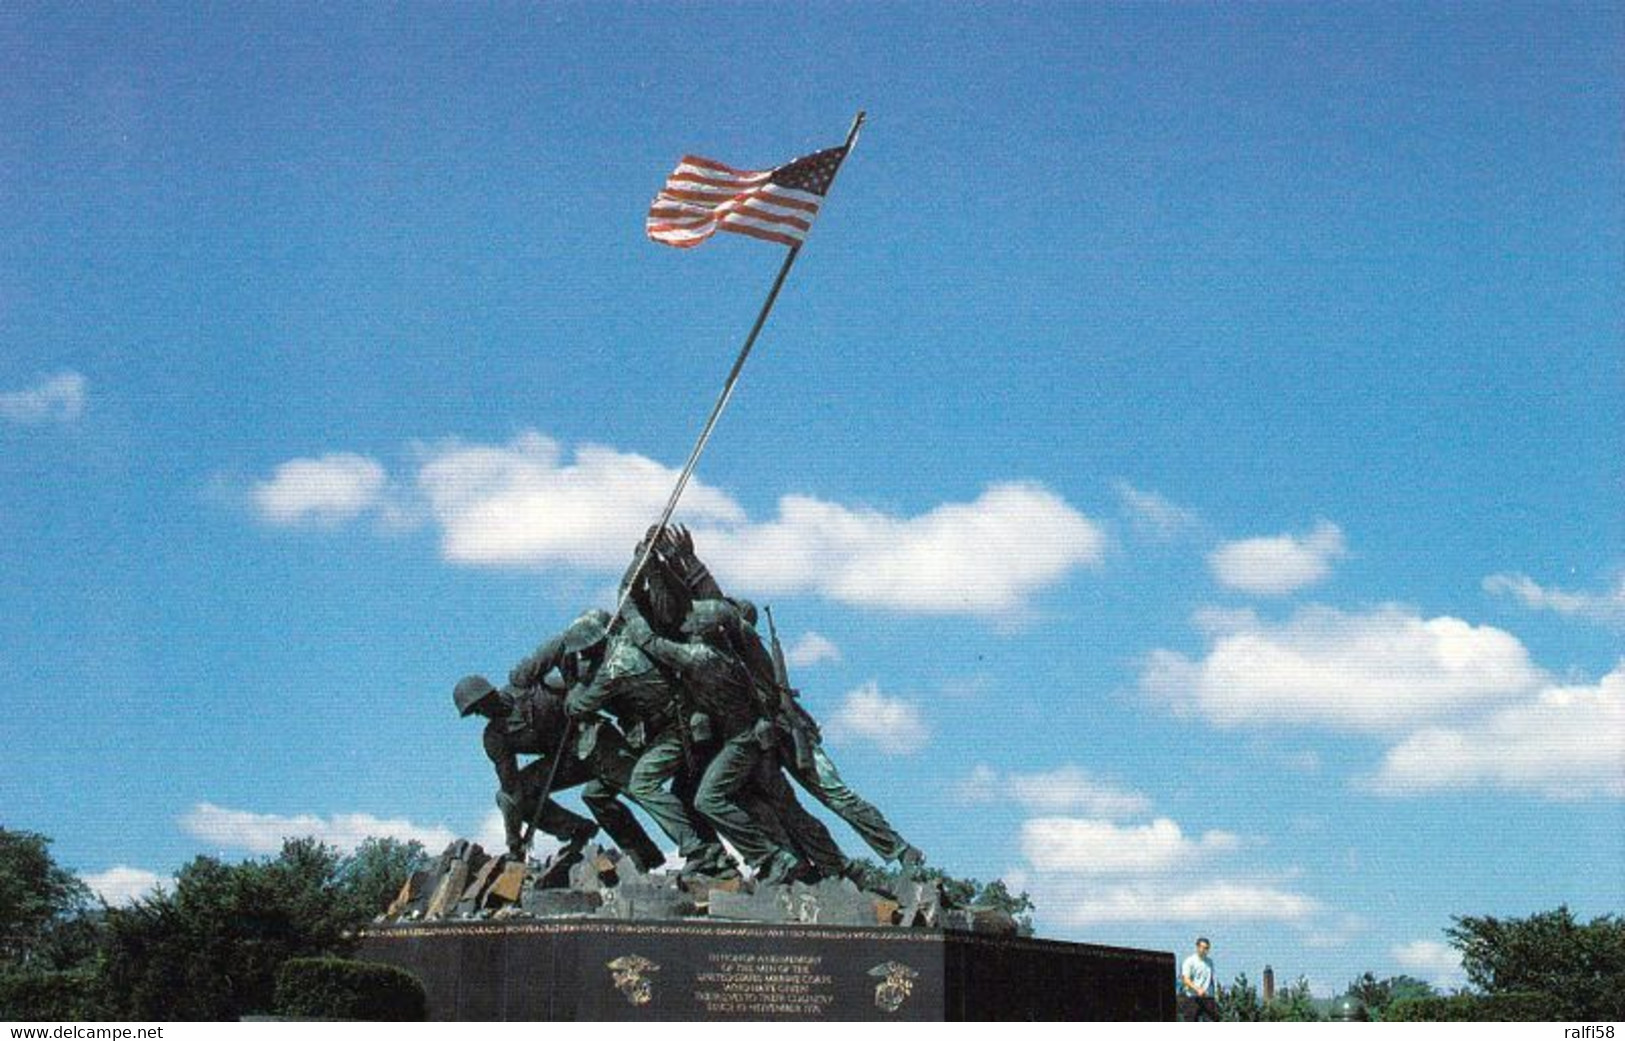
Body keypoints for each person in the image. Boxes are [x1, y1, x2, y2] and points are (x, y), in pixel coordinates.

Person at [453, 673, 664, 872]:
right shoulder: (495, 737)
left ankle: (691, 843)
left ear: (490, 694)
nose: (480, 713)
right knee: (519, 794)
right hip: (567, 762)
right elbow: (511, 789)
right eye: (474, 712)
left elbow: (589, 686)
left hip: (598, 742)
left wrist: (634, 722)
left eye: (478, 706)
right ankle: (576, 829)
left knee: (638, 790)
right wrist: (514, 842)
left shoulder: (533, 687)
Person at [1180, 936, 1220, 1021]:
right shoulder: (1189, 961)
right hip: (1192, 998)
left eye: (1207, 948)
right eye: (1203, 948)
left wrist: (1215, 993)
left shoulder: (1209, 962)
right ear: (1197, 947)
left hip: (1207, 997)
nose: (1204, 950)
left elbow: (1211, 979)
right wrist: (1197, 989)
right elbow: (1185, 979)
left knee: (1216, 1018)